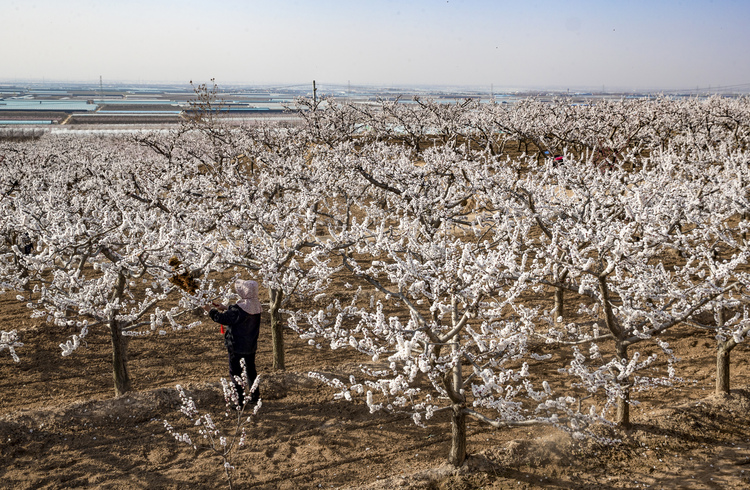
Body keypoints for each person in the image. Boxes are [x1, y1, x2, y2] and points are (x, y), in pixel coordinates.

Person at [203, 279, 262, 406]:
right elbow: (239, 314)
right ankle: (255, 397)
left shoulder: (238, 310)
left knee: (235, 373)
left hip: (236, 346)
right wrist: (226, 308)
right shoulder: (256, 305)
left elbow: (223, 318)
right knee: (251, 371)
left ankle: (239, 401)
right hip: (250, 345)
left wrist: (209, 310)